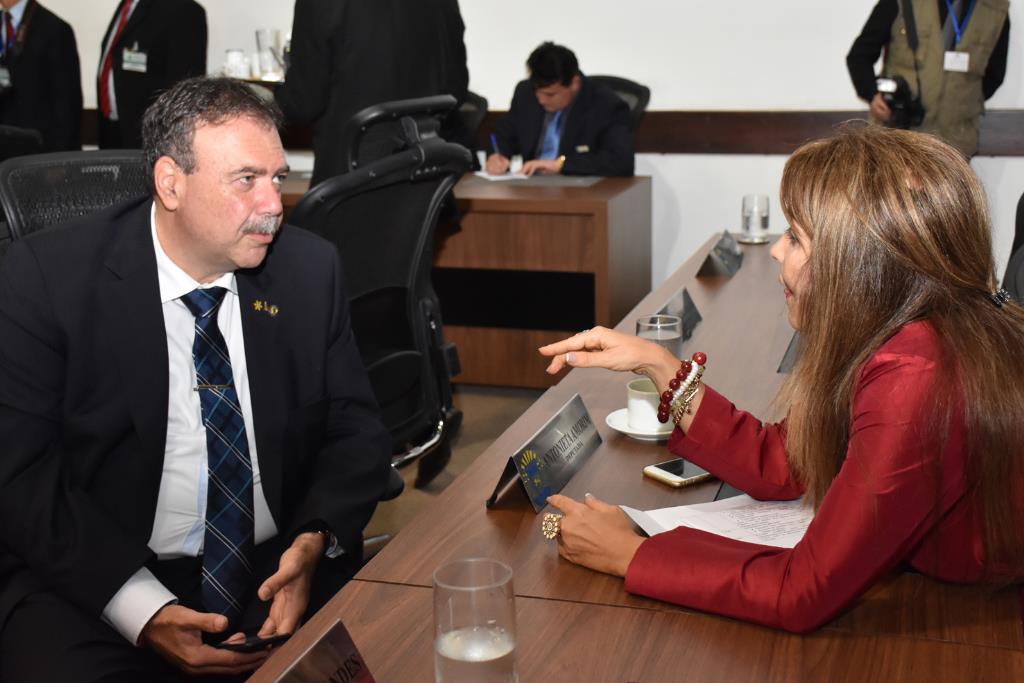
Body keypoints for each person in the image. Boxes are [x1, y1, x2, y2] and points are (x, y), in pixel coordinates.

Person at [537, 126, 1024, 633]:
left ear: (856, 264)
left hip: (986, 624)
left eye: (795, 236)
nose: (774, 249)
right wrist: (659, 366)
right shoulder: (908, 330)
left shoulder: (916, 374)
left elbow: (803, 591)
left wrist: (631, 554)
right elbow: (785, 462)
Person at [0, 77, 392, 681]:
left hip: (279, 570)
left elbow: (356, 430)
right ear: (170, 183)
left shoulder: (309, 270)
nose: (273, 206)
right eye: (246, 180)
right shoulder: (46, 280)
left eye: (277, 178)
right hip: (102, 577)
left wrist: (313, 542)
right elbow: (22, 478)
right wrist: (144, 611)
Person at [275, 0, 468, 186]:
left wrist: (265, 99)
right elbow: (455, 92)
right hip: (424, 181)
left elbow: (303, 104)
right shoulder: (444, 3)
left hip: (349, 185)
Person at [846, 0, 1009, 158]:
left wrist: (960, 104)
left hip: (954, 146)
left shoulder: (995, 9)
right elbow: (859, 56)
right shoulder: (901, 2)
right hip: (897, 139)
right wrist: (872, 94)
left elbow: (994, 76)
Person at [485, 42, 634, 178]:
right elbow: (503, 132)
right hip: (531, 187)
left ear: (574, 83)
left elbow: (621, 161)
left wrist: (560, 164)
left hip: (580, 191)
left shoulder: (605, 104)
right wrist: (497, 155)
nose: (541, 100)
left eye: (550, 94)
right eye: (537, 92)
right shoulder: (525, 93)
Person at [97, 0, 208, 149]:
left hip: (151, 145)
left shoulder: (184, 10)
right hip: (113, 136)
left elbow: (185, 93)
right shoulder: (126, 6)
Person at [0, 0, 81, 151]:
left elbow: (67, 106)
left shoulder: (55, 29)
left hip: (37, 154)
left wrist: (59, 163)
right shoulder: (2, 23)